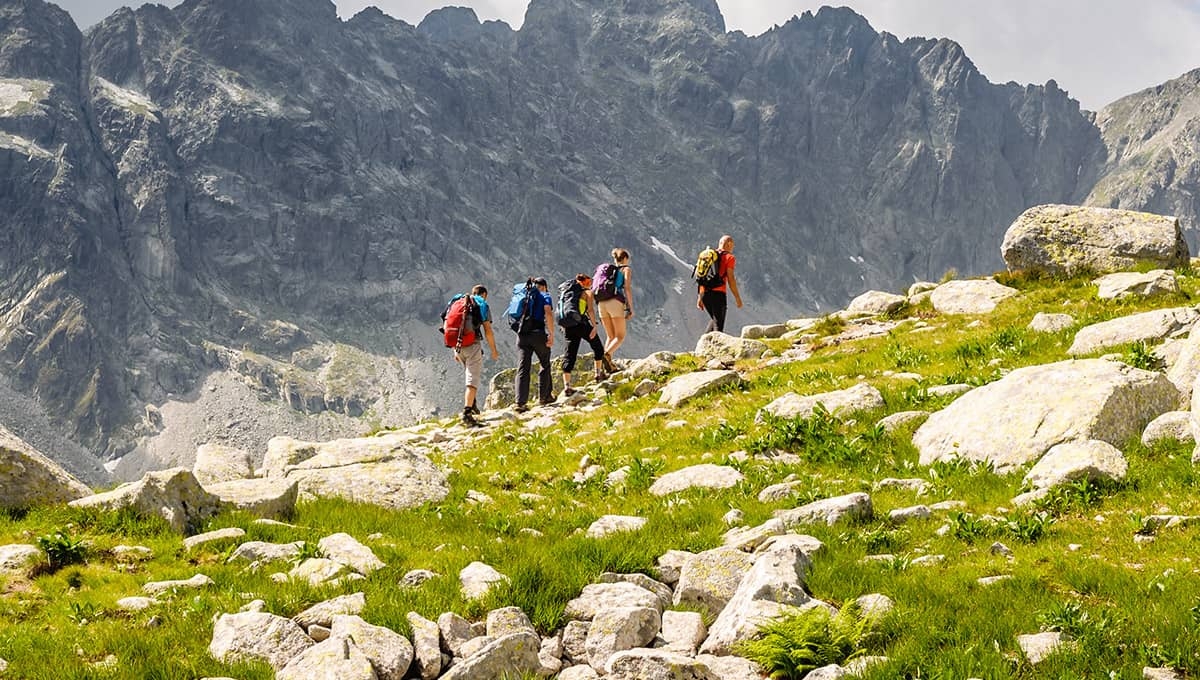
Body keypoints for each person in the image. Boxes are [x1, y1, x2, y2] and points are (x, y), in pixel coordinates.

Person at [445, 285, 499, 427]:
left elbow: (448, 324)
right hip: (472, 345)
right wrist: (494, 350)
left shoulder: (458, 301)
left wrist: (454, 349)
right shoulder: (481, 304)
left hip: (457, 345)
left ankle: (473, 406)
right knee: (472, 379)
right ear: (484, 294)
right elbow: (488, 330)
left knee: (469, 373)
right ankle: (467, 413)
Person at [560, 273, 607, 396]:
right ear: (585, 282)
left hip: (569, 327)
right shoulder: (587, 293)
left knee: (569, 355)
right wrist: (594, 327)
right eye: (589, 281)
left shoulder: (567, 293)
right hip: (582, 325)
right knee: (598, 347)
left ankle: (567, 387)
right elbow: (590, 310)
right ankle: (598, 374)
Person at [514, 277, 556, 412]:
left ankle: (520, 403)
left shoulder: (524, 295)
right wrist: (551, 333)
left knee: (523, 367)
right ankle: (544, 397)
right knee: (545, 363)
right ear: (544, 286)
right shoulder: (544, 295)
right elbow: (548, 312)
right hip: (538, 334)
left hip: (522, 335)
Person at [697, 234, 742, 333]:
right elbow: (731, 279)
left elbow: (702, 276)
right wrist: (737, 297)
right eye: (733, 245)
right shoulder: (729, 257)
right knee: (718, 326)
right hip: (718, 294)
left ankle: (703, 343)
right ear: (729, 244)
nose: (733, 248)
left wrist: (700, 297)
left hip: (705, 294)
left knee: (715, 320)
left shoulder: (708, 256)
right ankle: (712, 347)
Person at [597, 247, 633, 370]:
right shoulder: (625, 269)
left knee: (610, 336)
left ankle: (602, 368)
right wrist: (630, 308)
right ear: (625, 258)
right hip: (615, 302)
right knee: (620, 336)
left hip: (601, 303)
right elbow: (627, 288)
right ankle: (606, 356)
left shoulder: (608, 272)